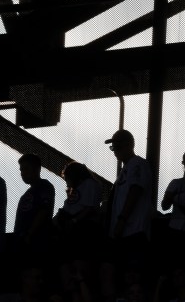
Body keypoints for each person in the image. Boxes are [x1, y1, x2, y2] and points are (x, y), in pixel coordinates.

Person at [100, 129, 154, 302]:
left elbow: (135, 190)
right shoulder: (125, 170)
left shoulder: (138, 164)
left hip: (134, 232)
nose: (115, 149)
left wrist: (122, 220)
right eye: (113, 146)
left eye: (118, 145)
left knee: (134, 276)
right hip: (122, 233)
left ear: (129, 145)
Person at [52, 161, 103, 295]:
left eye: (67, 177)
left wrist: (74, 221)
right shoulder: (75, 190)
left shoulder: (90, 185)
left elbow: (90, 208)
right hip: (70, 230)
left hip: (83, 230)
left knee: (80, 268)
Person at [12, 153, 56, 265]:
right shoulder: (27, 193)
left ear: (37, 168)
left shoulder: (45, 186)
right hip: (22, 241)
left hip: (36, 241)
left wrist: (29, 234)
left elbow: (44, 210)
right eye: (21, 170)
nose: (22, 173)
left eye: (26, 169)